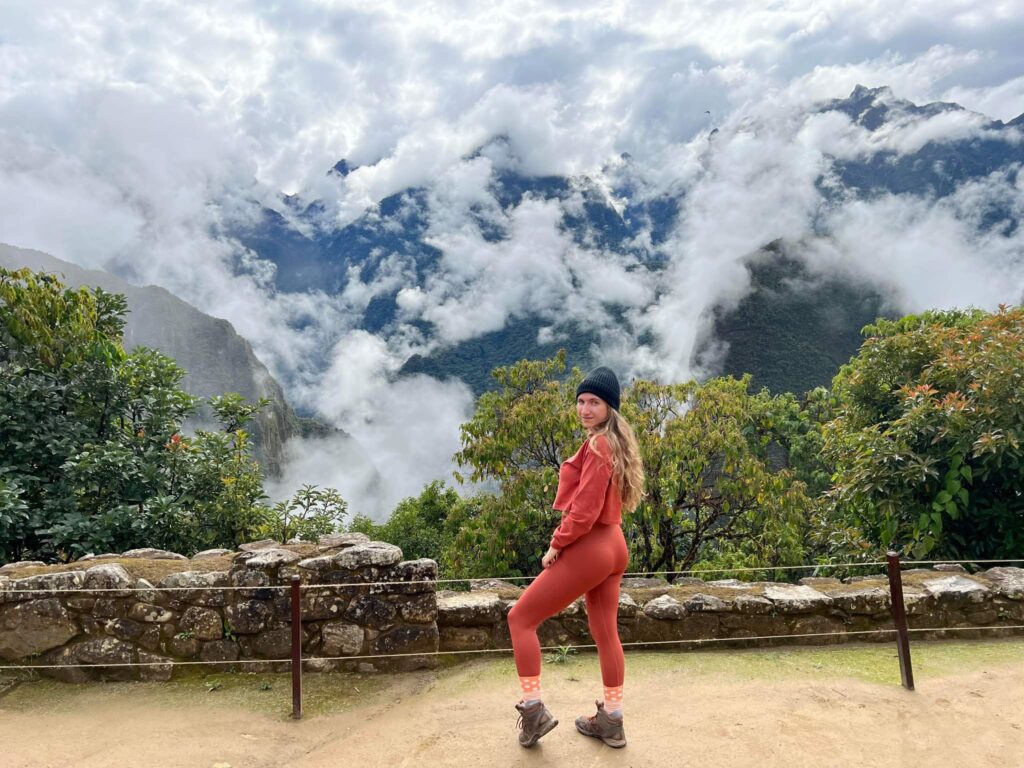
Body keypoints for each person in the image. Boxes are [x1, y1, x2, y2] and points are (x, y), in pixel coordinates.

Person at [507, 366, 644, 748]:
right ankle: (611, 721)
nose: (584, 409)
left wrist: (557, 544)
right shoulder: (612, 442)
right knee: (605, 634)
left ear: (609, 408)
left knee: (520, 619)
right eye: (581, 401)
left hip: (592, 547)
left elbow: (583, 510)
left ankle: (533, 712)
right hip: (614, 545)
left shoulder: (599, 445)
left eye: (594, 402)